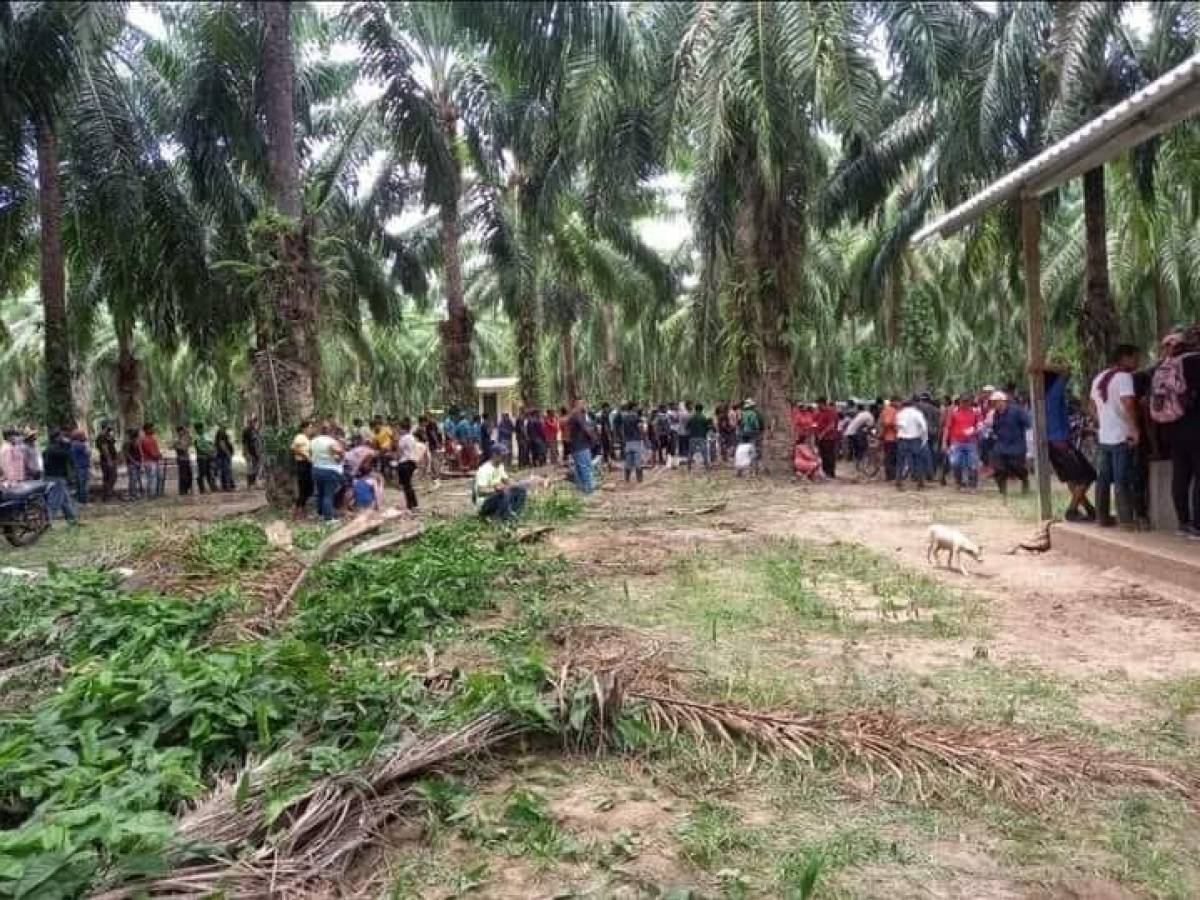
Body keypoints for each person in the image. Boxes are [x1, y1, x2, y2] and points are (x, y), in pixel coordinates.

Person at [1150, 328, 1200, 537]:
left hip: (1172, 426)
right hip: (1195, 424)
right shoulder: (1195, 361)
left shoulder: (1163, 367)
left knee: (1180, 474)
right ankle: (1197, 525)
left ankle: (1183, 523)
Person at [1038, 360, 1096, 522]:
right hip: (1060, 442)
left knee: (1073, 478)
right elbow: (1065, 369)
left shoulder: (1041, 397)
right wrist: (1041, 366)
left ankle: (1088, 509)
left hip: (1052, 442)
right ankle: (1071, 510)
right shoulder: (1055, 391)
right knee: (1087, 475)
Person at [1090, 344, 1141, 528]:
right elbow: (1128, 403)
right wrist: (1134, 429)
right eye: (1135, 357)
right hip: (1121, 435)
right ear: (1125, 358)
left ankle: (1101, 517)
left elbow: (1092, 406)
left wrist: (1103, 421)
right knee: (1122, 479)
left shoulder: (1099, 378)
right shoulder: (1124, 377)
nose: (1137, 362)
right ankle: (1126, 520)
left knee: (1103, 479)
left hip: (1105, 436)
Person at [989, 391, 1031, 496]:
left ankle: (1024, 480)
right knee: (998, 467)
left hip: (1017, 446)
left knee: (1016, 466)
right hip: (1001, 445)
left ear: (1003, 401)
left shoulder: (1016, 411)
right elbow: (995, 428)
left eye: (996, 402)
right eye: (993, 403)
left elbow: (1028, 423)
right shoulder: (996, 414)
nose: (994, 405)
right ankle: (1002, 490)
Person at [475, 445, 527, 520]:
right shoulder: (484, 470)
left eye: (505, 456)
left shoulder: (500, 466)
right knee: (503, 493)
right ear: (494, 455)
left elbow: (507, 481)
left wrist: (521, 483)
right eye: (502, 456)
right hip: (485, 501)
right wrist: (495, 489)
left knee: (521, 489)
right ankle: (498, 518)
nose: (504, 459)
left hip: (498, 496)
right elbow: (481, 491)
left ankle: (514, 513)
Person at [42, 430, 80, 526]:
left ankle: (72, 520)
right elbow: (68, 455)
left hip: (55, 477)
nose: (63, 438)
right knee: (55, 501)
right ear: (57, 438)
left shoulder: (50, 448)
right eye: (61, 436)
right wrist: (68, 444)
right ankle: (47, 522)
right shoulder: (54, 450)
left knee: (66, 500)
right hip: (55, 478)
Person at [943, 395, 981, 489]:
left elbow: (979, 425)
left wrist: (975, 430)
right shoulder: (953, 413)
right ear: (959, 402)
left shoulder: (975, 413)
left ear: (970, 402)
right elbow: (947, 428)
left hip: (971, 441)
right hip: (956, 442)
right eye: (963, 401)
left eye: (967, 401)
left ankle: (972, 484)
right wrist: (944, 442)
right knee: (955, 462)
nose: (965, 404)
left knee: (972, 463)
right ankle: (958, 482)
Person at [310, 421, 345, 522]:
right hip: (330, 471)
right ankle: (329, 519)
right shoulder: (331, 441)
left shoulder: (313, 441)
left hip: (316, 470)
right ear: (330, 431)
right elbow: (339, 452)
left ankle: (320, 513)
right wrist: (341, 455)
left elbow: (311, 453)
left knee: (320, 493)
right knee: (328, 495)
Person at [894, 398, 929, 490]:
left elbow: (897, 426)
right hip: (915, 439)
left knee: (900, 461)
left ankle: (899, 481)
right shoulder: (917, 413)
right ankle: (920, 482)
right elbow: (924, 427)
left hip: (902, 439)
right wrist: (924, 438)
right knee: (918, 461)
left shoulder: (899, 414)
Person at [567, 398, 597, 494]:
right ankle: (588, 489)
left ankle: (582, 489)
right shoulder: (577, 414)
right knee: (585, 467)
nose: (585, 406)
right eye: (583, 404)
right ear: (578, 404)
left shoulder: (574, 415)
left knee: (580, 467)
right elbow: (585, 429)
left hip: (577, 445)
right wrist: (594, 438)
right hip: (581, 445)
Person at [292, 419, 315, 520]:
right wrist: (306, 456)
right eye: (309, 427)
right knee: (303, 488)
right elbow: (294, 448)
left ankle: (302, 510)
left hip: (307, 464)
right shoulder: (300, 436)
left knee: (308, 488)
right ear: (304, 428)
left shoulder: (306, 438)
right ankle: (297, 513)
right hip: (302, 464)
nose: (311, 429)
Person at [396, 417, 420, 511]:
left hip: (404, 462)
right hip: (411, 462)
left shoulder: (403, 439)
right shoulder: (412, 438)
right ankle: (413, 504)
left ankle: (410, 505)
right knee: (409, 484)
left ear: (402, 428)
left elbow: (399, 452)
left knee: (406, 485)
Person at [618, 402, 645, 483]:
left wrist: (624, 439)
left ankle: (627, 479)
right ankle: (639, 480)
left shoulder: (624, 417)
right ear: (633, 407)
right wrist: (643, 435)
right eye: (636, 406)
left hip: (627, 441)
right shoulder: (637, 417)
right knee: (638, 461)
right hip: (636, 440)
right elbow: (640, 427)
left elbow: (622, 429)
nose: (637, 408)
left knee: (628, 461)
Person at [813, 398, 840, 478]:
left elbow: (831, 425)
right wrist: (816, 433)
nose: (818, 406)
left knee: (829, 455)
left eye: (819, 404)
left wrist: (822, 434)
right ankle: (825, 471)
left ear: (823, 404)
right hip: (820, 438)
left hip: (829, 438)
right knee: (823, 455)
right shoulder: (818, 413)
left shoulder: (830, 412)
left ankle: (831, 472)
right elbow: (814, 423)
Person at [738, 399, 764, 474]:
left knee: (743, 450)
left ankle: (740, 470)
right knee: (754, 450)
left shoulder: (743, 413)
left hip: (744, 433)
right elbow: (756, 425)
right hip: (753, 433)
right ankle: (754, 471)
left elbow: (740, 423)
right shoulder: (754, 414)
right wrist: (758, 431)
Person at [140, 423, 164, 498]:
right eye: (151, 428)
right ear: (147, 430)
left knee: (158, 478)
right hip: (150, 461)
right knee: (152, 478)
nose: (153, 430)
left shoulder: (152, 438)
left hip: (154, 461)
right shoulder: (145, 440)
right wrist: (158, 455)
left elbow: (156, 450)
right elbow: (151, 452)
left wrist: (159, 454)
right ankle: (151, 494)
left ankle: (157, 493)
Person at [685, 402, 711, 471]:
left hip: (692, 437)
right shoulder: (703, 417)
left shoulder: (692, 417)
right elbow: (707, 427)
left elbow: (687, 427)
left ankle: (689, 467)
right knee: (704, 453)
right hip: (701, 437)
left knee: (690, 453)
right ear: (702, 409)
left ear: (695, 409)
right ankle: (707, 468)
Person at [97, 422, 118, 501]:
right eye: (109, 426)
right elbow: (104, 449)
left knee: (112, 477)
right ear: (105, 427)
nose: (111, 427)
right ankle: (107, 495)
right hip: (107, 460)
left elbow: (113, 442)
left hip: (111, 459)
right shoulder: (101, 437)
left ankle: (108, 494)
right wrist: (109, 460)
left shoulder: (108, 436)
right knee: (110, 477)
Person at [69, 429, 91, 504]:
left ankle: (79, 500)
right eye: (83, 435)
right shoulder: (80, 445)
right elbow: (88, 453)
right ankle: (84, 500)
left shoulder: (72, 444)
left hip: (77, 466)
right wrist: (87, 443)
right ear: (79, 436)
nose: (85, 436)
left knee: (79, 484)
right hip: (83, 466)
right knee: (84, 485)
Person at [879, 397, 899, 481]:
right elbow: (887, 423)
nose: (899, 404)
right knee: (890, 457)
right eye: (898, 402)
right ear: (894, 402)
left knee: (891, 457)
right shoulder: (891, 410)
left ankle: (891, 475)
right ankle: (890, 476)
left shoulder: (891, 410)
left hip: (891, 438)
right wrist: (895, 429)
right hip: (890, 438)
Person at [194, 423, 217, 494]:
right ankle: (202, 489)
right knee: (202, 473)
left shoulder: (206, 435)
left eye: (202, 428)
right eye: (200, 428)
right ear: (197, 429)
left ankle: (211, 487)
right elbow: (200, 448)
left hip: (209, 457)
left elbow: (211, 444)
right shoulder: (197, 438)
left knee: (209, 472)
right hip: (202, 458)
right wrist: (208, 452)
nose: (201, 430)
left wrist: (213, 450)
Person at [242, 417, 262, 489]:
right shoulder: (246, 431)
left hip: (256, 453)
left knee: (256, 468)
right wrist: (246, 453)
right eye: (253, 422)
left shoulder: (255, 431)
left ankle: (255, 483)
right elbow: (244, 443)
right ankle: (249, 484)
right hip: (250, 453)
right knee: (250, 469)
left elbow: (258, 442)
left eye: (255, 422)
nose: (254, 424)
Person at [124, 427, 143, 500]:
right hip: (132, 464)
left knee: (136, 479)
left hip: (137, 462)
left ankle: (135, 493)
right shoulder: (128, 443)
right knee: (133, 479)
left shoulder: (136, 442)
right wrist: (134, 462)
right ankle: (132, 494)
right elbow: (127, 454)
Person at [214, 425, 236, 491]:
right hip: (223, 456)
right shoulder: (221, 435)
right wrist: (228, 453)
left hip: (223, 455)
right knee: (226, 470)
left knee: (225, 471)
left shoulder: (222, 435)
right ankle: (227, 486)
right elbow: (222, 444)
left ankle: (226, 485)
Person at [174, 425, 194, 495]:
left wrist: (187, 432)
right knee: (183, 475)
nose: (183, 432)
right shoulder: (177, 440)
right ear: (179, 432)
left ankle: (187, 488)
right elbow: (183, 448)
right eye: (182, 431)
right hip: (181, 459)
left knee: (188, 475)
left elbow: (190, 442)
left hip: (186, 459)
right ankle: (183, 490)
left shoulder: (185, 438)